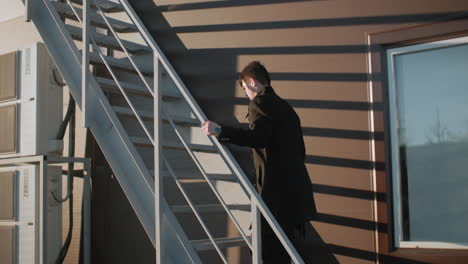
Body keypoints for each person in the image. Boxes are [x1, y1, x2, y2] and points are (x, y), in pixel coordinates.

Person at [201, 61, 339, 263]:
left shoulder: (260, 102)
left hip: (276, 198)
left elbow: (258, 137)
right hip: (294, 198)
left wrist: (220, 131)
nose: (246, 94)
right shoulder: (287, 109)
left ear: (252, 82)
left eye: (245, 89)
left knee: (263, 252)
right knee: (281, 254)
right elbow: (300, 151)